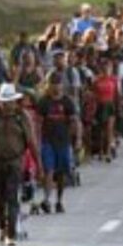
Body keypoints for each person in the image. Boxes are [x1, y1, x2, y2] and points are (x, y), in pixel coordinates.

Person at [0, 84, 42, 246]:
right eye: (4, 102)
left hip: (15, 160)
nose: (7, 105)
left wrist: (39, 165)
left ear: (15, 101)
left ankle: (11, 233)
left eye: (10, 102)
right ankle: (1, 228)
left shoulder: (22, 116)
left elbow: (31, 141)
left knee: (12, 196)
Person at [36, 76, 80, 214]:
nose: (55, 88)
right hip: (47, 141)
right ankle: (46, 199)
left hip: (63, 141)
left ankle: (59, 200)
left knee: (61, 173)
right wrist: (37, 140)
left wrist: (77, 139)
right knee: (48, 170)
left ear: (62, 86)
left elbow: (74, 121)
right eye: (53, 85)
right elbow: (38, 123)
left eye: (58, 84)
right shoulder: (43, 102)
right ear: (49, 86)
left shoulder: (67, 102)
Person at [92, 58, 119, 162]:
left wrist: (118, 107)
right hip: (99, 105)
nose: (106, 69)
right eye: (104, 67)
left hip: (110, 105)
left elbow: (117, 94)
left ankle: (107, 152)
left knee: (109, 130)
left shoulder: (114, 80)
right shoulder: (97, 80)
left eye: (108, 67)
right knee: (100, 131)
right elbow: (93, 94)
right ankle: (101, 152)